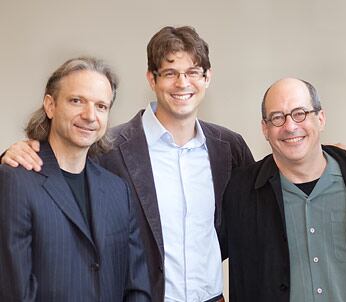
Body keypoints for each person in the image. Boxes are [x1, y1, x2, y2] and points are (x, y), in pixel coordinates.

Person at [1, 26, 254, 302]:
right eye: (170, 73)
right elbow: (55, 177)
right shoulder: (109, 146)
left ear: (207, 78)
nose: (183, 83)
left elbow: (249, 219)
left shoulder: (228, 148)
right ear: (151, 79)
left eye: (193, 72)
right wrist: (9, 156)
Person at [0, 57, 151, 301]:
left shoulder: (117, 190)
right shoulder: (16, 181)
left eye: (101, 106)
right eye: (77, 101)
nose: (90, 115)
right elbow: (13, 290)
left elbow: (137, 285)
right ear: (50, 106)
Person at [220, 78, 346, 301]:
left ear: (321, 118)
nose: (290, 126)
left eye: (300, 113)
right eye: (277, 117)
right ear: (265, 128)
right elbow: (201, 252)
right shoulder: (239, 192)